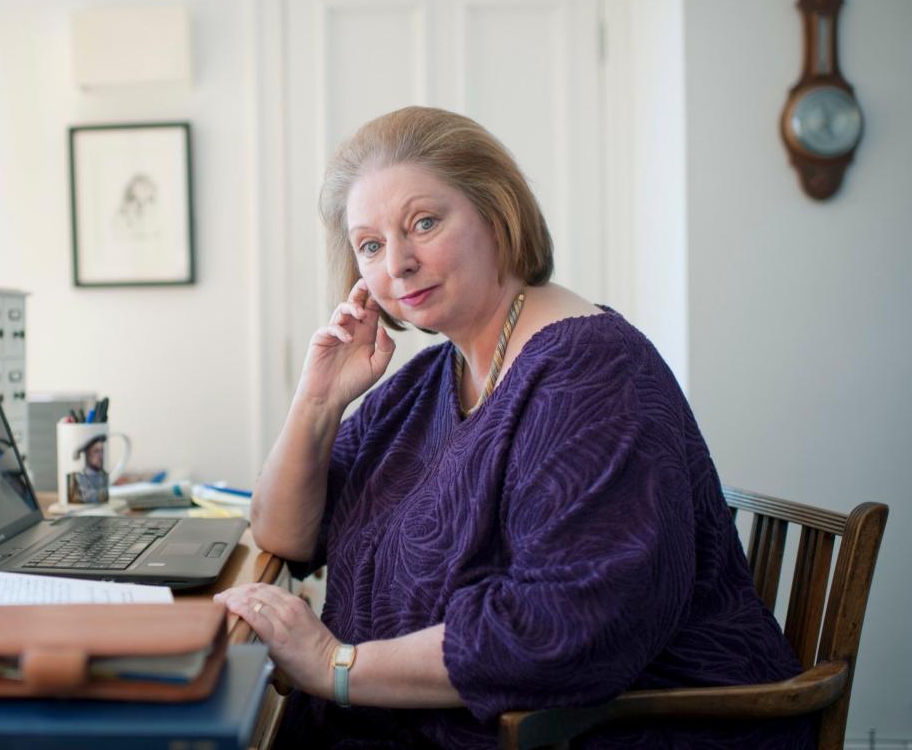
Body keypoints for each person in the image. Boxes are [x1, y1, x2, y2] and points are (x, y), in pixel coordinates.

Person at [214, 107, 811, 748]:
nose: (399, 263)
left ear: (498, 216)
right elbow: (286, 534)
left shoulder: (592, 373)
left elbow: (560, 628)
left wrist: (335, 665)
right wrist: (317, 401)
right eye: (370, 245)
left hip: (595, 731)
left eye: (424, 222)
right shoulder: (432, 377)